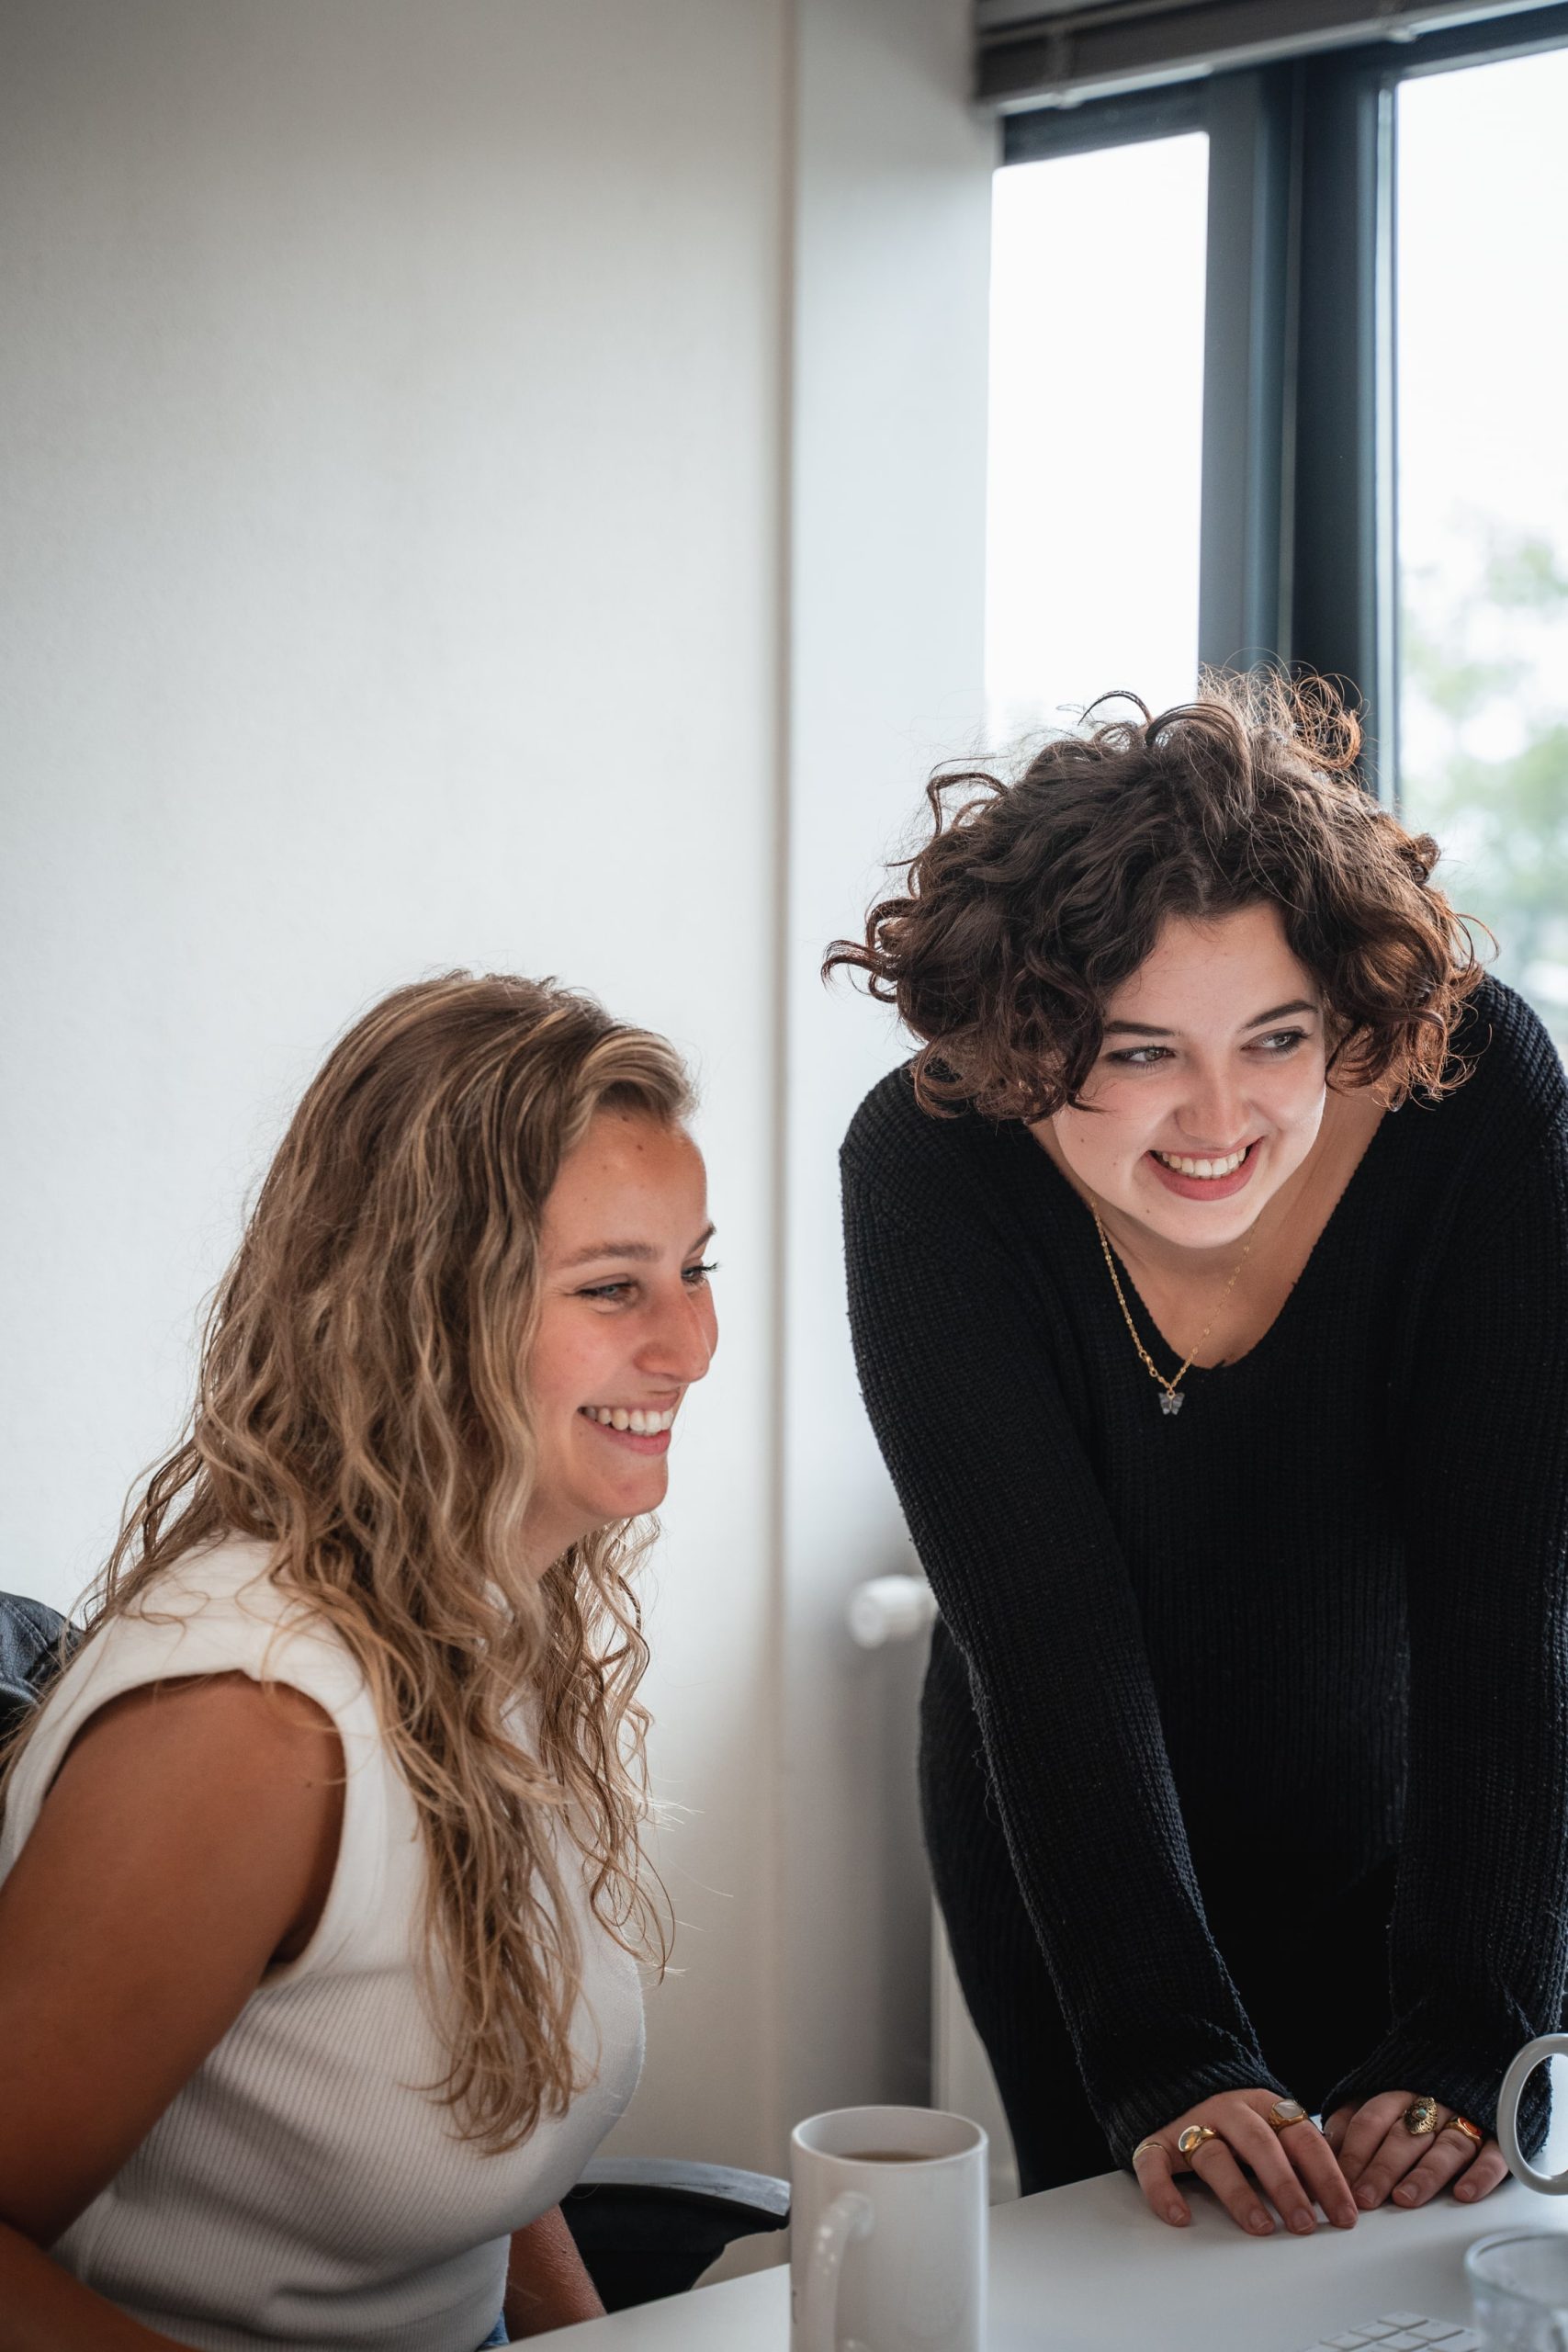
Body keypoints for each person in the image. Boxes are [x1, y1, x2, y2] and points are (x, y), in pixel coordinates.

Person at [828, 677, 1568, 2238]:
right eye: (1142, 1052)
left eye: (1277, 1039)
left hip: (1428, 1838)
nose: (1219, 1119)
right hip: (1072, 1858)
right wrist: (1168, 2057)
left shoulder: (1479, 1094)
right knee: (1143, 2285)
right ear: (1029, 1039)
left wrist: (1475, 2009)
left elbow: (1512, 1598)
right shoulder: (928, 1166)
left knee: (1427, 2278)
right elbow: (1048, 1651)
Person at [0, 972, 718, 2347]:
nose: (690, 1343)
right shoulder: (252, 1727)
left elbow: (458, 2102)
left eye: (696, 1267)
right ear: (428, 1316)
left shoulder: (483, 1607)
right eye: (613, 1287)